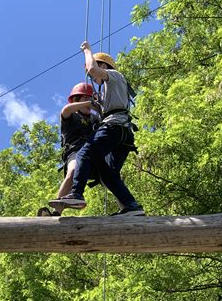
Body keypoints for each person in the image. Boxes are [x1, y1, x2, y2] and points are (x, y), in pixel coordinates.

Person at [59, 41, 144, 216]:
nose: (93, 79)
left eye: (97, 71)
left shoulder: (113, 75)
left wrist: (87, 50)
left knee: (85, 153)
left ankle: (76, 193)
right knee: (108, 175)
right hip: (123, 134)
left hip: (114, 127)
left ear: (103, 65)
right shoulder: (111, 87)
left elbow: (92, 69)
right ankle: (131, 206)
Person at [38, 82, 98, 216]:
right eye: (85, 99)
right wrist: (88, 103)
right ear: (76, 100)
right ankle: (56, 212)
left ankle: (127, 206)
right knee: (73, 171)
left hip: (92, 153)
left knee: (111, 177)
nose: (88, 103)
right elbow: (66, 110)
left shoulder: (94, 119)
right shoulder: (71, 115)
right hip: (75, 150)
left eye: (90, 99)